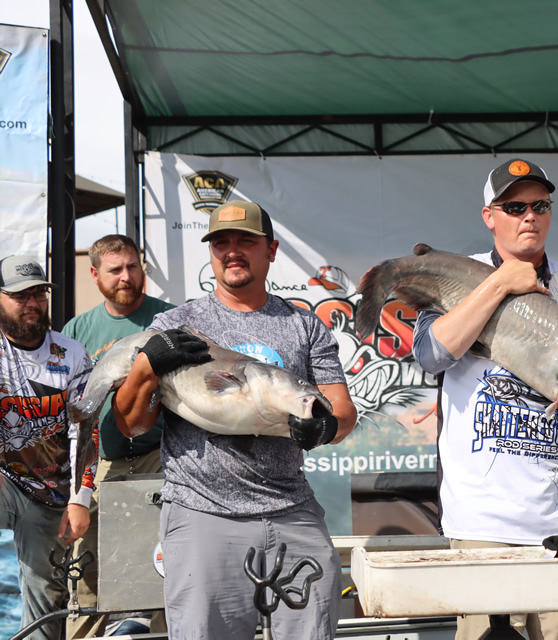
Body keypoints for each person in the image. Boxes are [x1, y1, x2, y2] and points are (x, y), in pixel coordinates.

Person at [111, 200, 358, 640]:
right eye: (221, 242)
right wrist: (148, 366)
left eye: (246, 240)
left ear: (272, 250)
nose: (232, 251)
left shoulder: (305, 325)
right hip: (203, 512)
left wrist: (325, 427)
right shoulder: (177, 324)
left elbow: (342, 411)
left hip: (291, 510)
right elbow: (132, 425)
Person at [412, 158, 558, 640]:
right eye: (514, 206)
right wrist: (502, 281)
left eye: (540, 205)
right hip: (482, 522)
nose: (529, 216)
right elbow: (431, 354)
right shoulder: (455, 276)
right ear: (490, 215)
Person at [61, 234, 175, 638]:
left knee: (166, 568)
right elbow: (71, 413)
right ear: (95, 275)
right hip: (100, 463)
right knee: (87, 569)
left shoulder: (170, 319)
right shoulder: (78, 330)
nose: (126, 277)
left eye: (132, 266)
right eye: (115, 270)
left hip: (164, 458)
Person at [0, 255, 94, 640]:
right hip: (5, 478)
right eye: (20, 295)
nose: (33, 303)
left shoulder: (71, 353)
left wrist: (80, 499)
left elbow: (85, 432)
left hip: (51, 493)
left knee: (46, 603)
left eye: (39, 293)